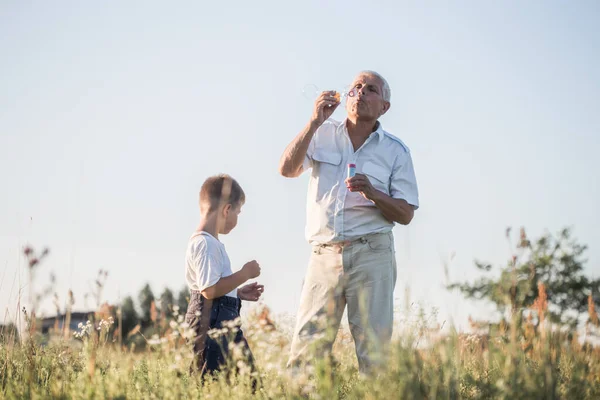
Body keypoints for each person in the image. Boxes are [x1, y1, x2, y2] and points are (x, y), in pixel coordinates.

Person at [278, 70, 419, 373]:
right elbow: (287, 169)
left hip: (372, 253)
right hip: (324, 254)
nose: (361, 93)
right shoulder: (321, 133)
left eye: (371, 89)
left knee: (374, 353)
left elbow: (406, 214)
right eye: (356, 87)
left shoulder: (396, 151)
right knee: (306, 349)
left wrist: (374, 193)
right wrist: (314, 121)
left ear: (384, 107)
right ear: (347, 97)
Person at [184, 174, 265, 382]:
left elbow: (213, 286)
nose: (237, 218)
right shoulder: (206, 245)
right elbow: (209, 290)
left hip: (222, 321)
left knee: (249, 382)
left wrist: (235, 292)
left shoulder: (210, 244)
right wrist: (244, 274)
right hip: (211, 325)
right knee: (212, 384)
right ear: (227, 209)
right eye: (238, 212)